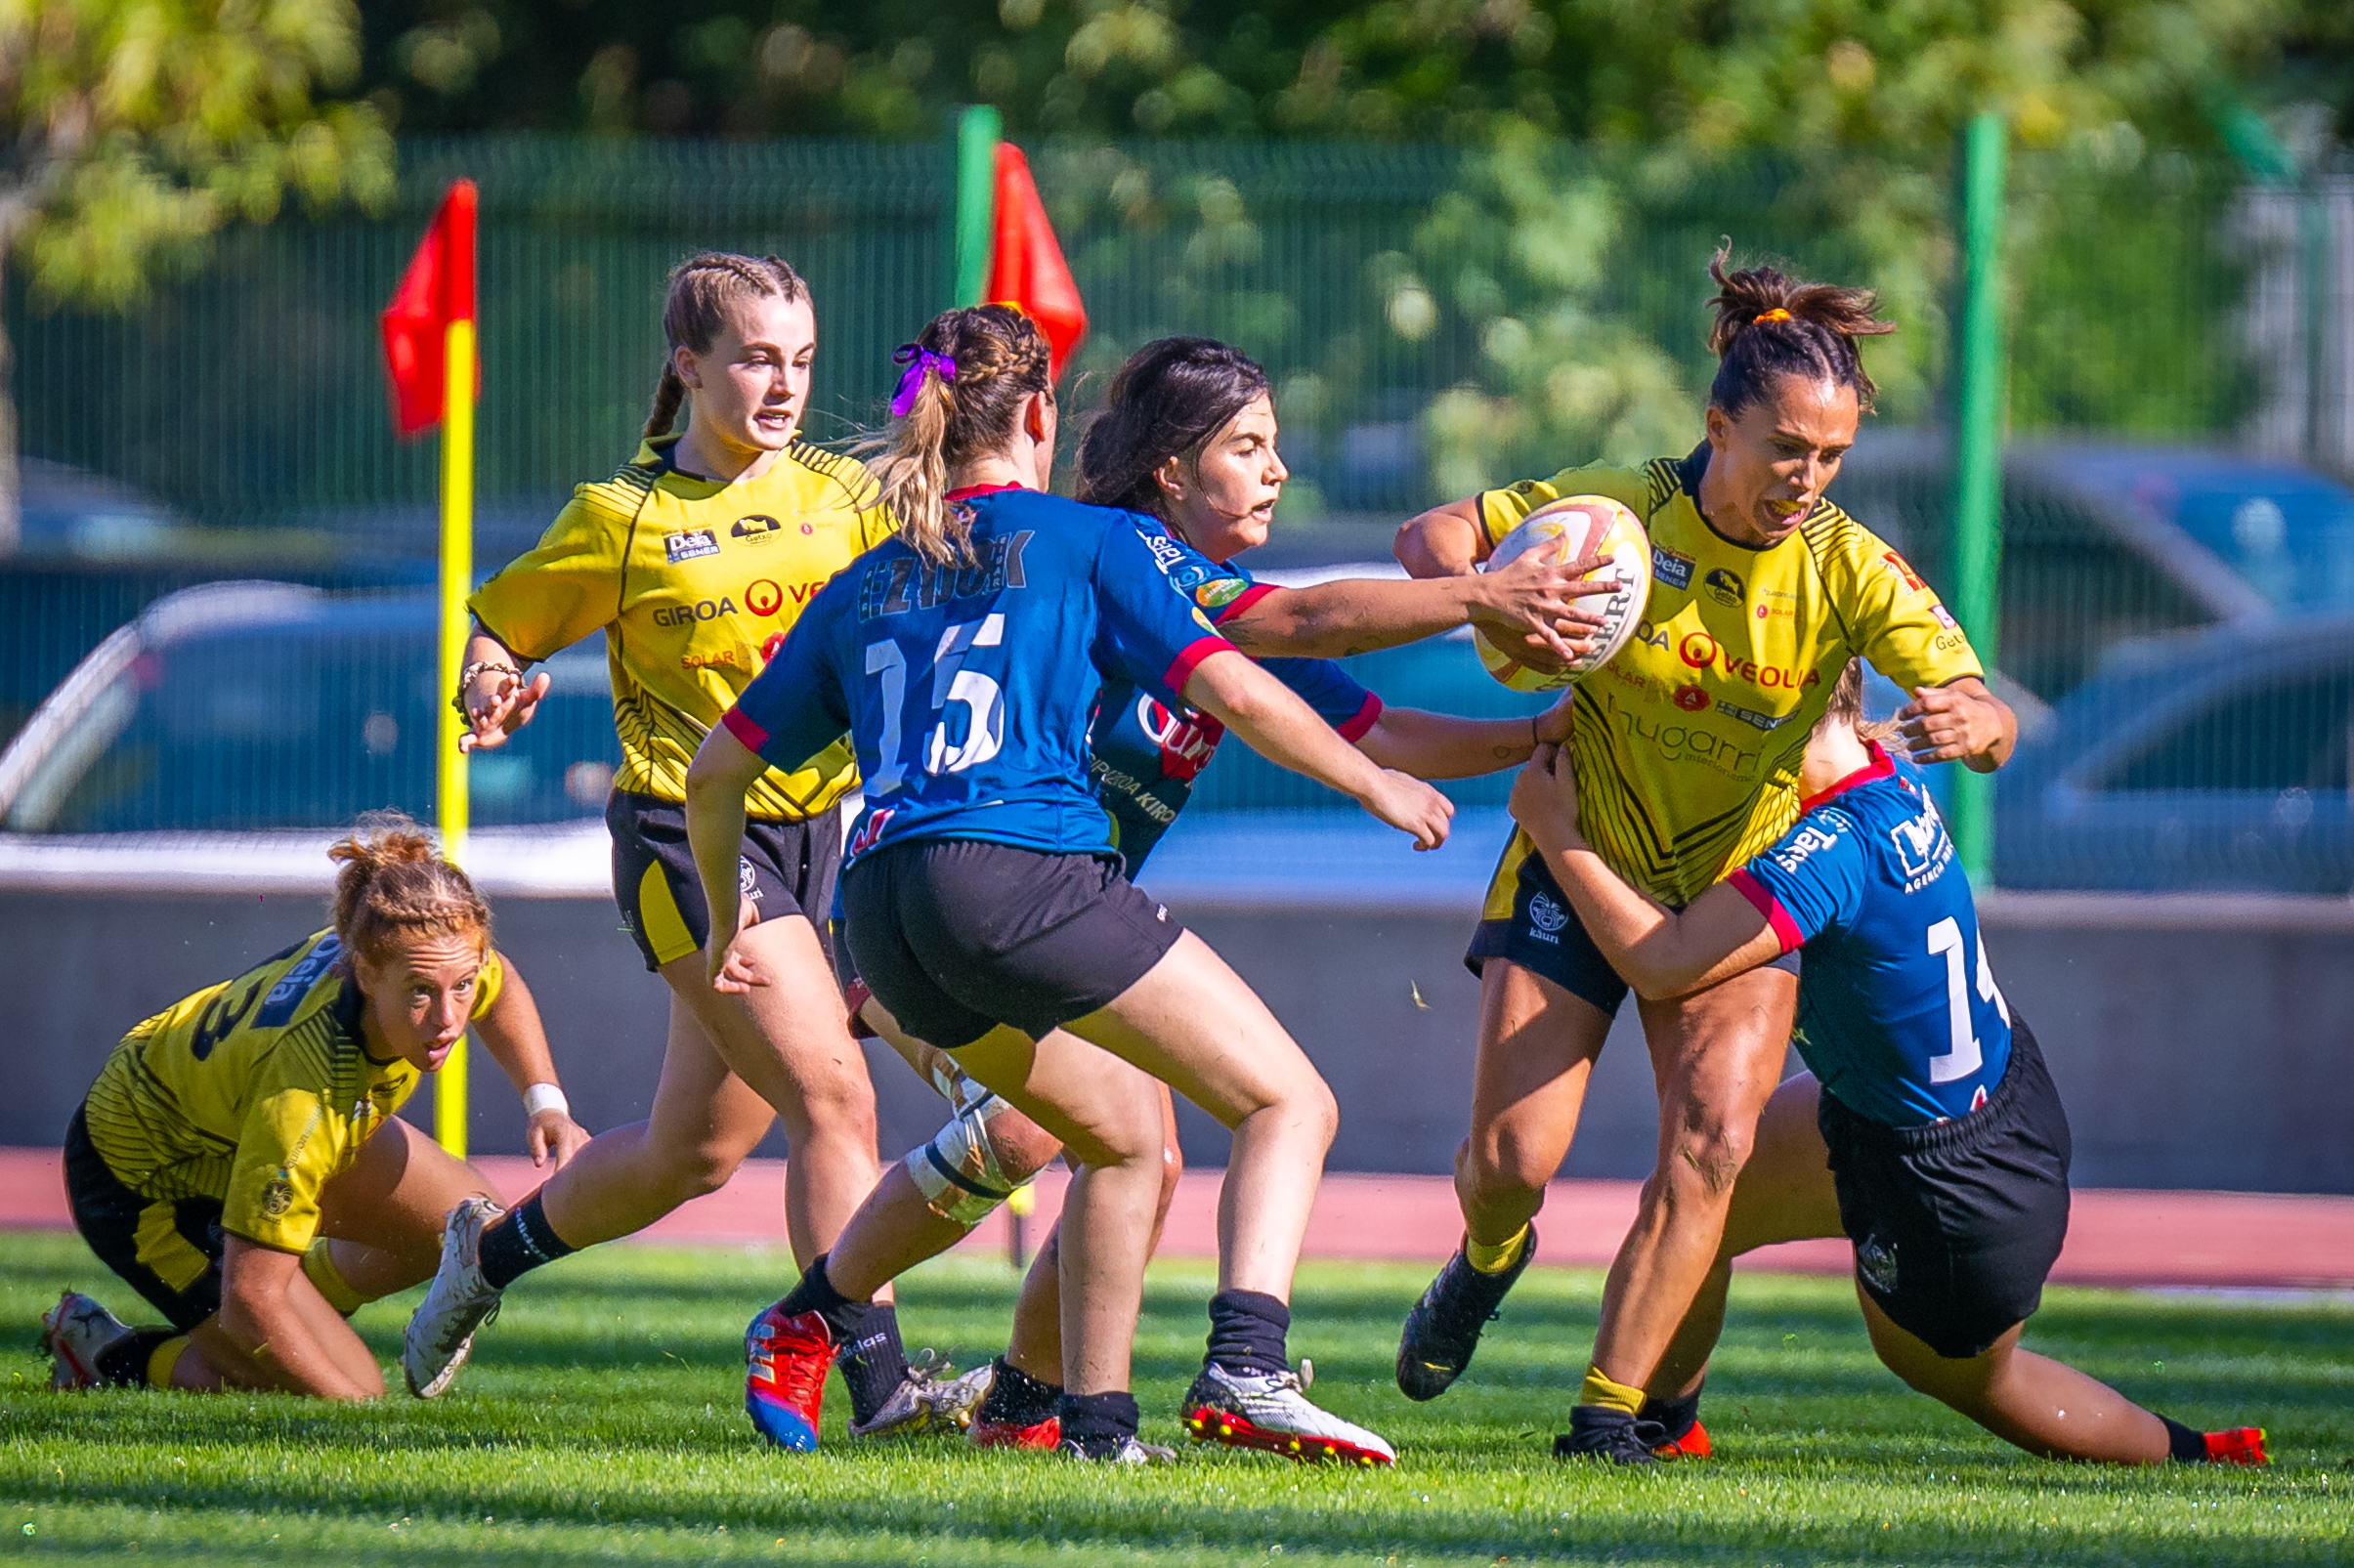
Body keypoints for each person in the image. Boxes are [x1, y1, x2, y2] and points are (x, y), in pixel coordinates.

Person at [687, 304, 1449, 1463]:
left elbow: (715, 772)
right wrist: (1374, 786)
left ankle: (1070, 1419)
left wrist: (721, 917)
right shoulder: (1095, 541)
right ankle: (1246, 1366)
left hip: (880, 908)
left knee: (1125, 1140)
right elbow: (1237, 686)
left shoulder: (867, 579)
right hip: (1020, 875)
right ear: (1040, 415)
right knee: (1289, 1103)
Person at [1391, 245, 2019, 1462]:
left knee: (1714, 1145)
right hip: (1582, 853)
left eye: (1831, 456)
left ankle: (1611, 1421)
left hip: (1738, 885)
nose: (1806, 479)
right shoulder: (1621, 511)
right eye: (1786, 448)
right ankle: (1487, 1257)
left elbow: (1983, 710)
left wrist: (1974, 724)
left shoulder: (1844, 563)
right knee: (1513, 1162)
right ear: (1718, 424)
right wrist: (1497, 595)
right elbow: (1431, 535)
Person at [401, 251, 955, 1436]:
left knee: (688, 1155)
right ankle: (880, 1388)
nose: (784, 383)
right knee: (835, 1099)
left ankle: (486, 1257)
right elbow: (500, 632)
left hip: (821, 833)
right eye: (756, 358)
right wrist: (490, 689)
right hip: (685, 836)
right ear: (688, 366)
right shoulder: (625, 516)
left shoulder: (846, 497)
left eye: (802, 360)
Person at [1503, 662, 2271, 1467]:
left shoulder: (1829, 846)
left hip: (1953, 1184)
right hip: (1953, 1103)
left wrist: (1557, 831)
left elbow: (1662, 961)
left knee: (1969, 1376)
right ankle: (1660, 1427)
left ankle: (2196, 1452)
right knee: (1700, 1202)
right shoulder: (1877, 770)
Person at [40, 815, 589, 1401]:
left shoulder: (427, 954)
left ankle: (299, 1307)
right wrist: (356, 1415)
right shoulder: (307, 1094)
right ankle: (104, 1352)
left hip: (234, 1125)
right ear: (366, 974)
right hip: (145, 1181)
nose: (447, 1019)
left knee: (468, 1231)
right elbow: (250, 1297)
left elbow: (499, 984)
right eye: (421, 994)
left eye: (460, 987)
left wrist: (546, 1103)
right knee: (347, 1385)